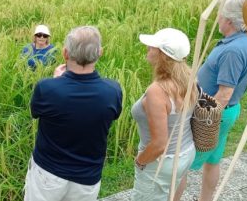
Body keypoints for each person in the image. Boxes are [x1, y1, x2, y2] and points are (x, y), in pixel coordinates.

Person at [175, 0, 247, 201]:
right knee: (213, 160)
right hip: (226, 112)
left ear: (228, 20)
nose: (217, 19)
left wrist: (201, 121)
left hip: (213, 115)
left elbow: (224, 93)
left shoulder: (233, 51)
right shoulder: (246, 41)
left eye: (220, 15)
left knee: (181, 164)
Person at [24, 26, 123, 201]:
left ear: (65, 53)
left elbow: (35, 112)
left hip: (48, 175)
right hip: (88, 179)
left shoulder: (46, 88)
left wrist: (57, 82)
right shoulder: (113, 91)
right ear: (100, 52)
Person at [132, 28, 197, 201]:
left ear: (162, 55)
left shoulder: (157, 91)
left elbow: (160, 144)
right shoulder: (189, 78)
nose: (148, 48)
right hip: (186, 152)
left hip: (160, 162)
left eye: (152, 47)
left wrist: (140, 161)